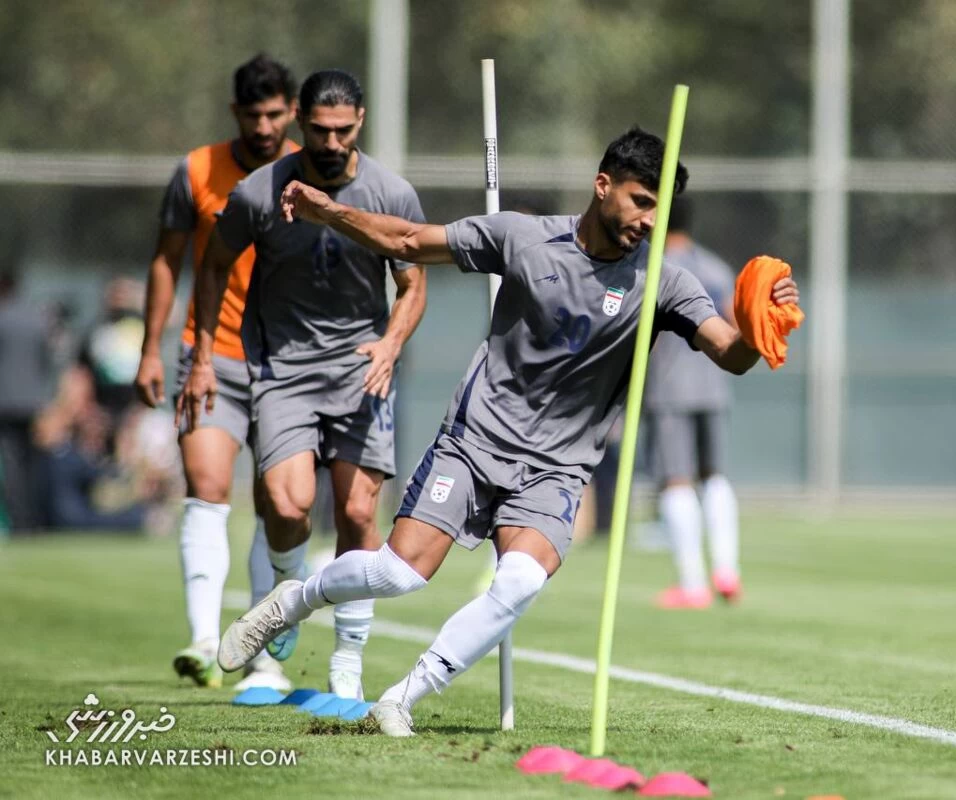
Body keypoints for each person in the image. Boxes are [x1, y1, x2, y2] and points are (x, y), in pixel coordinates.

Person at [217, 126, 800, 736]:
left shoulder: (665, 281)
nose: (651, 221)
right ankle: (291, 603)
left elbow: (729, 353)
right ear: (603, 186)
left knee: (519, 581)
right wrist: (327, 210)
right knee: (400, 572)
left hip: (557, 468)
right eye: (641, 200)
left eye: (662, 209)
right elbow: (411, 240)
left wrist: (762, 326)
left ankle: (402, 698)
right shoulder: (524, 237)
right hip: (475, 444)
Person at [178, 68, 428, 701]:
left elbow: (413, 284)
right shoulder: (261, 192)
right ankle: (287, 596)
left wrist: (391, 345)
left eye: (343, 130)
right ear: (300, 124)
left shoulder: (391, 193)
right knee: (286, 507)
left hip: (361, 369)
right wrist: (204, 355)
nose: (332, 142)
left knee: (356, 511)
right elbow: (211, 268)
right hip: (284, 371)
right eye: (320, 130)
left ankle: (347, 663)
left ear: (361, 124)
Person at [135, 54, 300, 691]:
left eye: (275, 113)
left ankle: (261, 654)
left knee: (278, 504)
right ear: (236, 112)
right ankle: (205, 640)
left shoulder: (305, 173)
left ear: (291, 112)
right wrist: (153, 348)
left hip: (289, 366)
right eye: (253, 114)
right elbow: (165, 260)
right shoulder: (198, 169)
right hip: (212, 355)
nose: (264, 126)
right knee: (207, 484)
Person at [644, 197, 742, 609]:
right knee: (714, 476)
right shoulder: (717, 267)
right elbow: (736, 326)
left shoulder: (652, 268)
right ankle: (727, 569)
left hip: (669, 389)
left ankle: (693, 583)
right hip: (715, 384)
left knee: (676, 480)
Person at [0, 270, 55, 531]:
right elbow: (48, 363)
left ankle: (19, 522)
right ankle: (35, 519)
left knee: (12, 466)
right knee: (33, 463)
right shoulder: (38, 320)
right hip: (34, 402)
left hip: (6, 403)